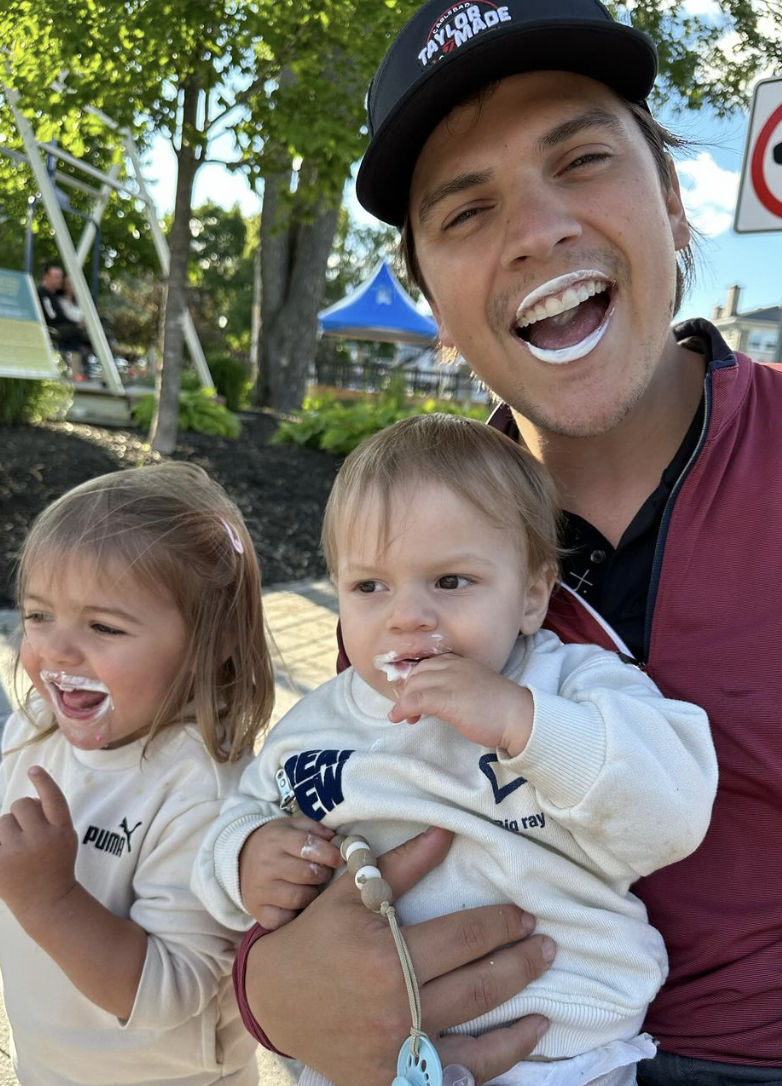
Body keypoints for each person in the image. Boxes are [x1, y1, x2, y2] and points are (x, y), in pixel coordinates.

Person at [235, 1, 782, 1084]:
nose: (536, 230)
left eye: (579, 159)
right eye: (467, 209)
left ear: (673, 205)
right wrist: (269, 989)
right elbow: (345, 805)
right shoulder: (410, 547)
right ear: (430, 298)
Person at [197, 414, 716, 1086]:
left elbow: (670, 811)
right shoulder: (317, 726)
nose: (406, 615)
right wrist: (244, 857)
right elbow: (236, 818)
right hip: (367, 1052)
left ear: (532, 595)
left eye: (449, 582)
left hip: (563, 1050)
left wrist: (525, 722)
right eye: (369, 586)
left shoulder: (571, 686)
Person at [0, 462, 274, 1086]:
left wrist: (49, 898)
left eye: (103, 626)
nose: (56, 651)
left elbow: (167, 993)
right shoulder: (37, 727)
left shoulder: (207, 790)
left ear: (214, 639)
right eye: (38, 615)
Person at [37, 262, 93, 375]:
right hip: (51, 331)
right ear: (46, 276)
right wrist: (76, 324)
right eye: (57, 277)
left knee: (89, 333)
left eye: (61, 277)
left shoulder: (55, 295)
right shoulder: (43, 294)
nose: (60, 280)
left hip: (62, 329)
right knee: (87, 333)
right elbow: (53, 318)